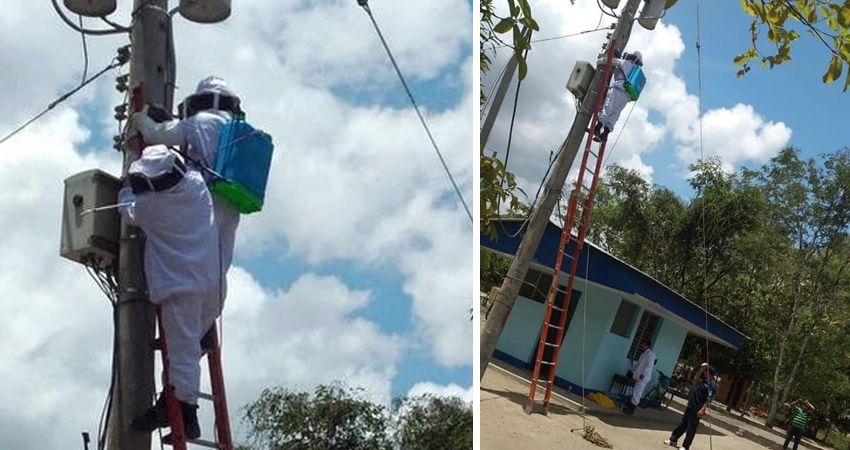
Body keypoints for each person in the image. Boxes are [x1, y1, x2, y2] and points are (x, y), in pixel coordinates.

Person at [120, 145, 220, 440]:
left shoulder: (152, 207)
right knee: (186, 347)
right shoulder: (196, 185)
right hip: (210, 282)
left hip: (181, 287)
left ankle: (186, 415)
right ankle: (170, 403)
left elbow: (128, 210)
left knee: (181, 354)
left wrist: (126, 191)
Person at [131, 76, 242, 297]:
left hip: (204, 197)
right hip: (234, 199)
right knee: (221, 258)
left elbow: (155, 134)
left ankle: (193, 300)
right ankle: (212, 304)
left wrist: (140, 118)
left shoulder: (199, 121)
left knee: (199, 253)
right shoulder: (238, 128)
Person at [593, 50, 643, 143]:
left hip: (618, 89)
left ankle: (597, 127)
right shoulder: (636, 71)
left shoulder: (625, 63)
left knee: (608, 107)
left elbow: (610, 61)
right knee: (615, 113)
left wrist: (599, 61)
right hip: (627, 96)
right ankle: (605, 134)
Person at [664, 363, 716, 450]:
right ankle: (673, 439)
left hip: (697, 409)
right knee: (682, 424)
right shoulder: (704, 380)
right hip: (691, 406)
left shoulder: (711, 384)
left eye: (705, 371)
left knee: (691, 428)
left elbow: (708, 399)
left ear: (709, 373)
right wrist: (702, 367)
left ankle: (685, 446)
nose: (704, 372)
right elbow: (699, 372)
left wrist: (702, 410)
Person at [623, 339, 655, 414]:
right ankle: (630, 406)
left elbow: (649, 366)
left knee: (637, 392)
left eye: (643, 345)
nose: (641, 346)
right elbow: (638, 365)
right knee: (635, 391)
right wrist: (631, 369)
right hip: (639, 376)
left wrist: (643, 374)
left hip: (643, 377)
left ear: (647, 346)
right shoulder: (643, 354)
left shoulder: (651, 354)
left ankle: (631, 409)